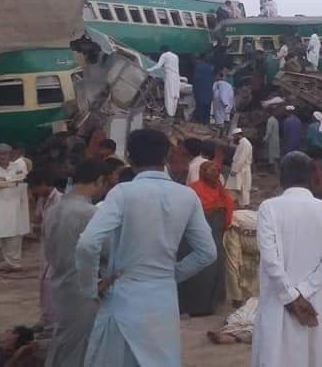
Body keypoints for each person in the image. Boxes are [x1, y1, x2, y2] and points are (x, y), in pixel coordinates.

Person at [76, 128, 216, 367]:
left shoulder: (122, 192)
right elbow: (207, 253)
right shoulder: (186, 196)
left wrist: (91, 287)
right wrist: (171, 274)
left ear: (129, 157)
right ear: (166, 157)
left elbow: (87, 243)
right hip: (163, 299)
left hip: (124, 297)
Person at [251, 151, 322, 367]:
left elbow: (270, 259)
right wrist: (306, 289)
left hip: (278, 301)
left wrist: (291, 295)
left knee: (274, 355)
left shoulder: (269, 208)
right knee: (311, 356)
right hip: (314, 300)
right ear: (310, 176)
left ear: (281, 176)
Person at [43, 160, 106, 367]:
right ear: (99, 181)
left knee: (64, 341)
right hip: (81, 286)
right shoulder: (89, 213)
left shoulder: (54, 209)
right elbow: (105, 250)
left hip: (60, 280)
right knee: (77, 346)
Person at [180, 161, 234, 317]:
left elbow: (228, 209)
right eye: (211, 170)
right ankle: (195, 306)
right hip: (195, 240)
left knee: (215, 270)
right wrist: (212, 210)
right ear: (202, 172)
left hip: (216, 235)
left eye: (217, 170)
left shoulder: (221, 191)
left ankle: (211, 305)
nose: (215, 173)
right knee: (199, 273)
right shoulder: (193, 190)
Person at [0, 143, 29, 278]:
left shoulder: (18, 166)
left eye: (5, 153)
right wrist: (11, 182)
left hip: (14, 207)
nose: (2, 156)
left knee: (14, 237)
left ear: (10, 154)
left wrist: (4, 181)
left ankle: (13, 264)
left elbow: (21, 178)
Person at [27, 169, 61, 328]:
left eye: (34, 187)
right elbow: (36, 221)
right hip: (45, 247)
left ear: (42, 184)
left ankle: (53, 320)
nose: (33, 192)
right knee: (44, 283)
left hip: (57, 248)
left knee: (52, 283)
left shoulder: (60, 199)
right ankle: (47, 317)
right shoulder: (42, 199)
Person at [223, 209, 259, 307]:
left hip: (247, 229)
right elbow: (232, 264)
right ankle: (237, 298)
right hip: (235, 226)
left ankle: (248, 296)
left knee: (250, 262)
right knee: (234, 262)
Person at [148, 45, 181, 118]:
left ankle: (169, 114)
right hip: (176, 78)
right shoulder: (175, 56)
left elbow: (158, 66)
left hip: (169, 78)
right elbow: (170, 66)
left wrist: (148, 70)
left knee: (169, 96)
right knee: (175, 96)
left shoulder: (164, 55)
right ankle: (173, 113)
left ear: (162, 51)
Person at [227, 128, 253, 208]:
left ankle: (244, 205)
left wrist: (235, 170)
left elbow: (242, 158)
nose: (234, 138)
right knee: (237, 188)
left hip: (242, 169)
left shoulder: (245, 144)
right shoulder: (242, 143)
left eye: (234, 136)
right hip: (239, 168)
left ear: (239, 135)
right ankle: (239, 204)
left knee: (243, 187)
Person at [263, 108, 281, 174]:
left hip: (271, 140)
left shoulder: (270, 120)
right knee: (275, 155)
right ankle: (276, 170)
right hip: (276, 140)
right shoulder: (276, 120)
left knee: (271, 156)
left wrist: (264, 139)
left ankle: (273, 170)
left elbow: (269, 132)